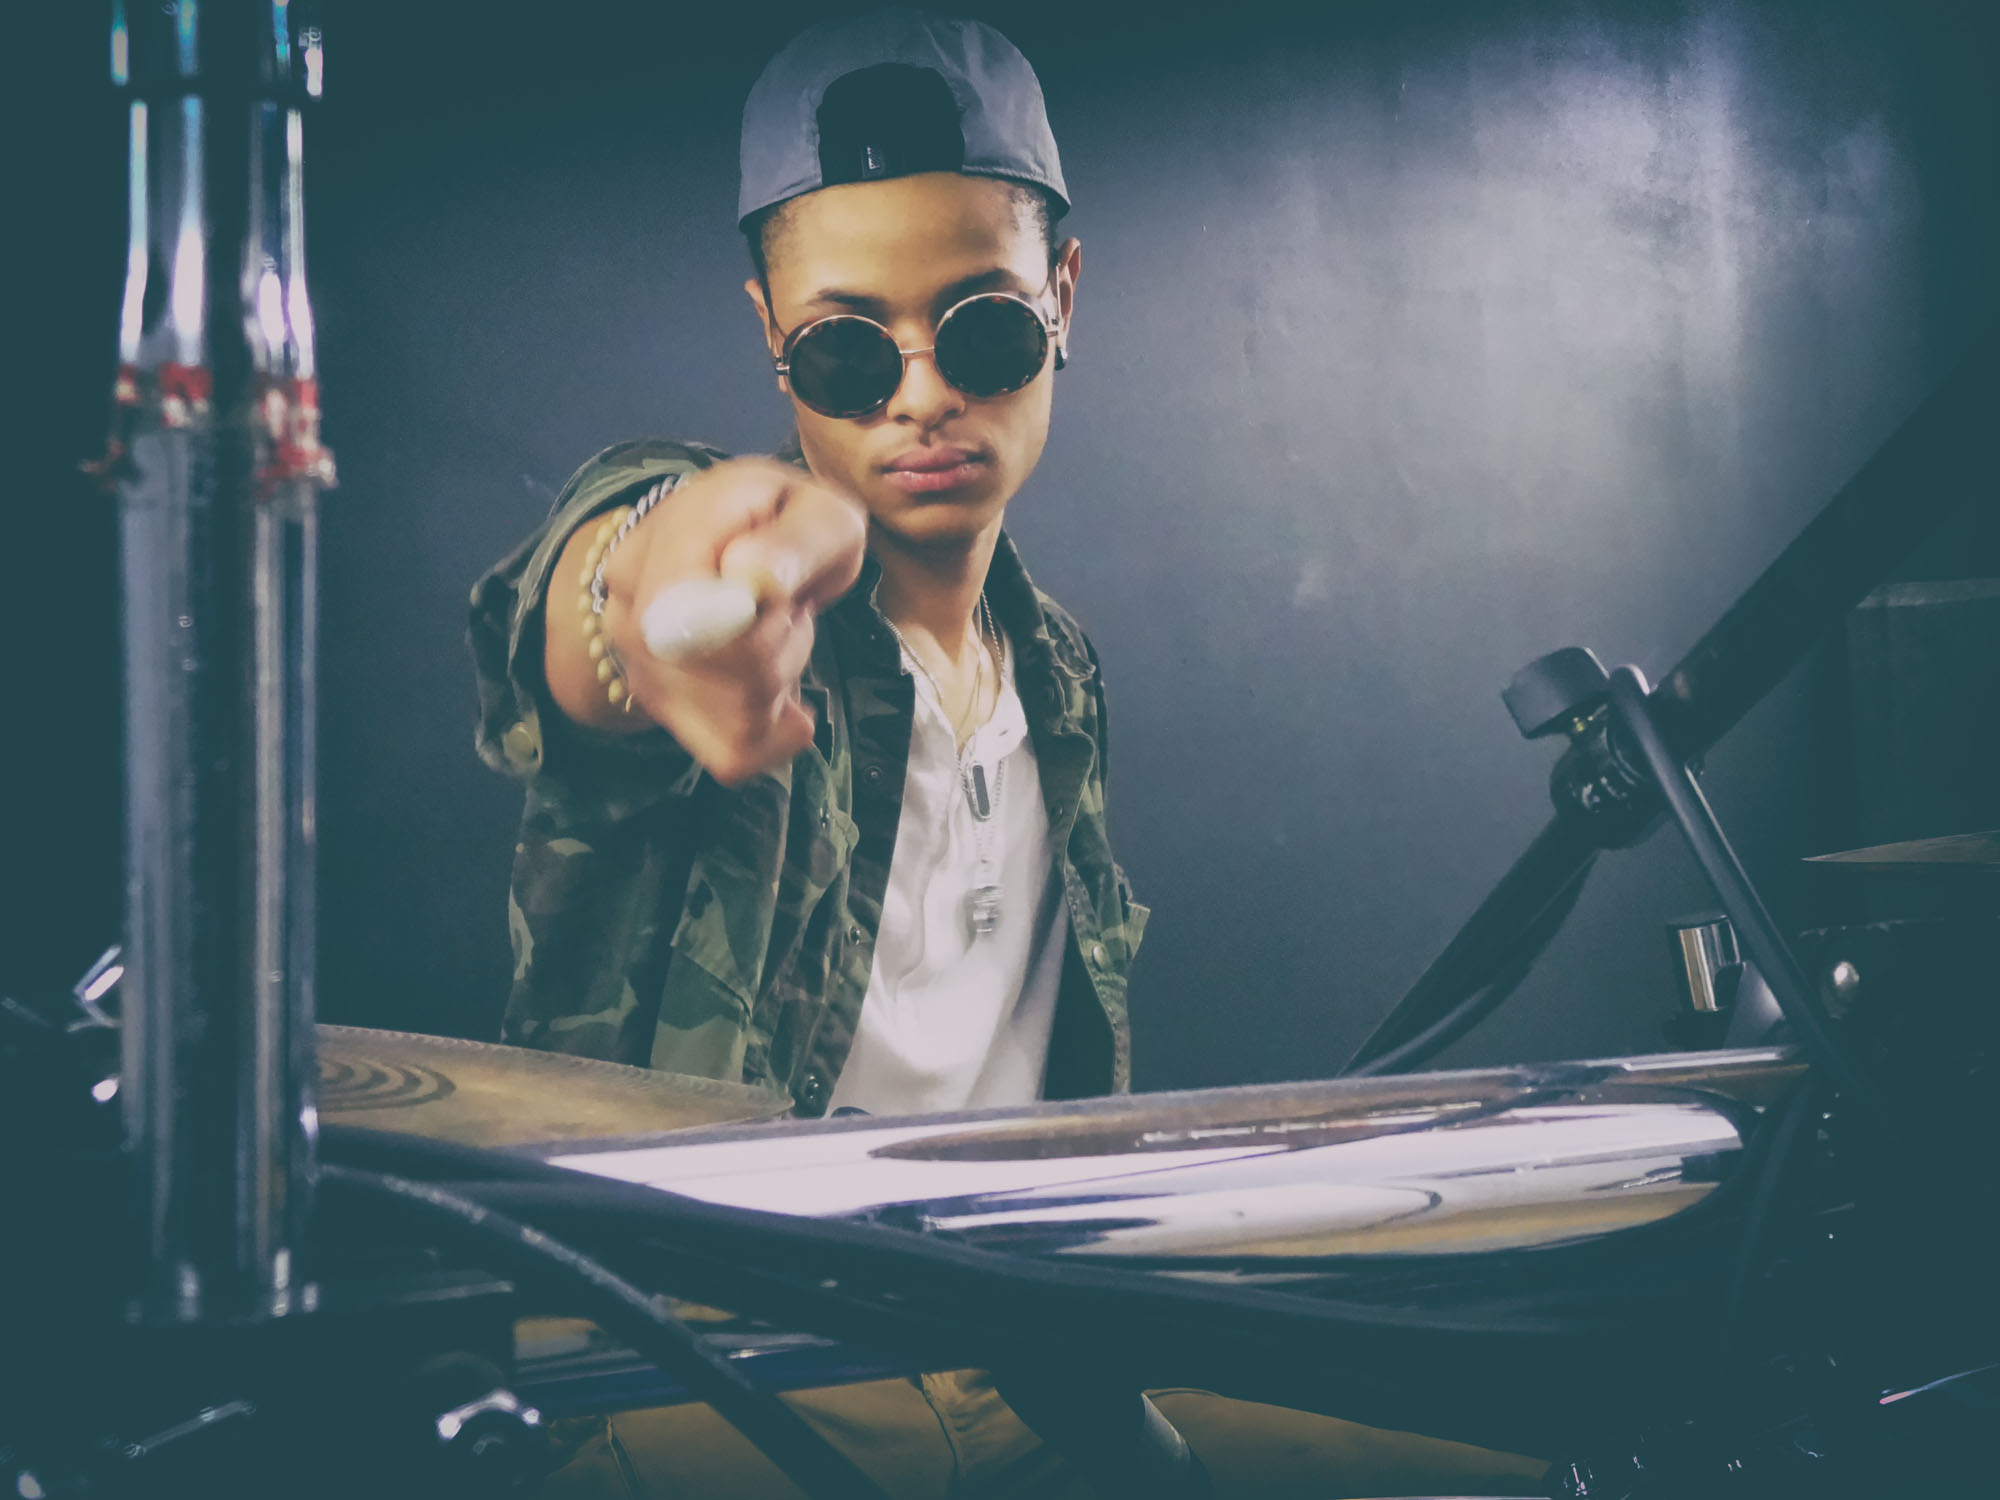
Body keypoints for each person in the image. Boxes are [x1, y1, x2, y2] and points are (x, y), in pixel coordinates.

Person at [470, 11, 1546, 1495]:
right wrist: (649, 599)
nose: (923, 396)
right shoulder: (753, 598)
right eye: (847, 351)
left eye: (981, 330)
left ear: (1064, 298)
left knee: (1503, 1455)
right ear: (771, 338)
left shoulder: (1062, 673)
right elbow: (604, 589)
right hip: (723, 1352)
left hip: (1029, 1326)